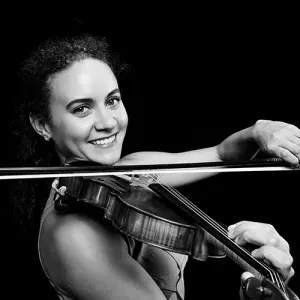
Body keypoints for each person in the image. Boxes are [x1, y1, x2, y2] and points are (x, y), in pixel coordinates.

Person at [11, 33, 299, 300]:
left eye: (112, 101)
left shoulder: (128, 173)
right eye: (81, 109)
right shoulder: (73, 237)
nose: (108, 122)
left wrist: (257, 131)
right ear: (42, 125)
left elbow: (222, 155)